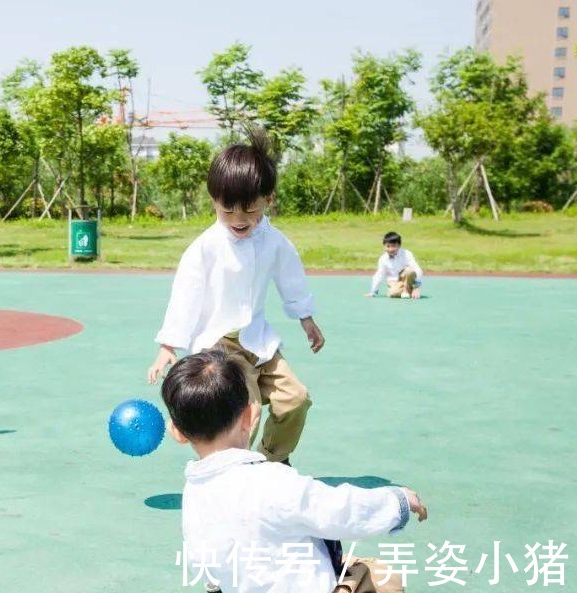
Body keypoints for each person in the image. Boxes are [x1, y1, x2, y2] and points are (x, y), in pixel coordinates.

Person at [162, 350, 428, 593]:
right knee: (382, 578)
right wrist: (399, 502)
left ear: (178, 433)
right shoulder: (273, 481)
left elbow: (203, 559)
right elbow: (339, 510)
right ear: (251, 415)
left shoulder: (194, 494)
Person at [148, 130, 323, 464]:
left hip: (259, 343)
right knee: (247, 413)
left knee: (296, 398)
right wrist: (168, 344)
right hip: (221, 350)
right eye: (228, 211)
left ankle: (273, 461)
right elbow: (186, 294)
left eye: (250, 211)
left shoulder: (273, 239)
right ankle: (232, 476)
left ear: (268, 199)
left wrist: (306, 318)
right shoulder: (205, 248)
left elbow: (291, 277)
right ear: (213, 200)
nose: (239, 221)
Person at [366, 232, 423, 299]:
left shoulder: (407, 254)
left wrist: (416, 287)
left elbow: (417, 269)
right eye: (388, 246)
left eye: (393, 246)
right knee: (392, 294)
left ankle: (408, 290)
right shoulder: (383, 259)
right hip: (394, 282)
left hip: (407, 279)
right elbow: (379, 275)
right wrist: (373, 291)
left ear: (399, 245)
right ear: (384, 246)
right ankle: (407, 291)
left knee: (409, 270)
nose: (390, 249)